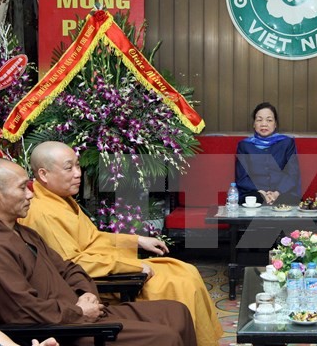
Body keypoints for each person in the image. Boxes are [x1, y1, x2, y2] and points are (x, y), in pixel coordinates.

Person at [0, 158, 197, 346]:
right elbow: (21, 311)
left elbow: (69, 268)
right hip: (63, 331)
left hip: (84, 313)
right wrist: (78, 312)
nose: (30, 195)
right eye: (22, 188)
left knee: (177, 311)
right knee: (166, 338)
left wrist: (86, 293)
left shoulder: (22, 231)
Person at [19, 141, 222, 346]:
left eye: (78, 165)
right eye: (68, 168)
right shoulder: (41, 212)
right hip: (102, 282)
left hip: (109, 266)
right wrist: (133, 266)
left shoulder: (60, 199)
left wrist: (137, 240)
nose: (78, 173)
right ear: (43, 175)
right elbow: (73, 263)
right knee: (179, 283)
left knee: (186, 271)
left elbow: (93, 238)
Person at [235, 102, 301, 206]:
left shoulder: (287, 143)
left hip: (282, 193)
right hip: (254, 193)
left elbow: (292, 174)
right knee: (252, 201)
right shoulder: (244, 145)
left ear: (275, 124)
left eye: (269, 120)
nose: (264, 124)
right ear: (254, 124)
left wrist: (276, 193)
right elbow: (242, 178)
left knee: (289, 202)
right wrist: (260, 192)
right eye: (259, 120)